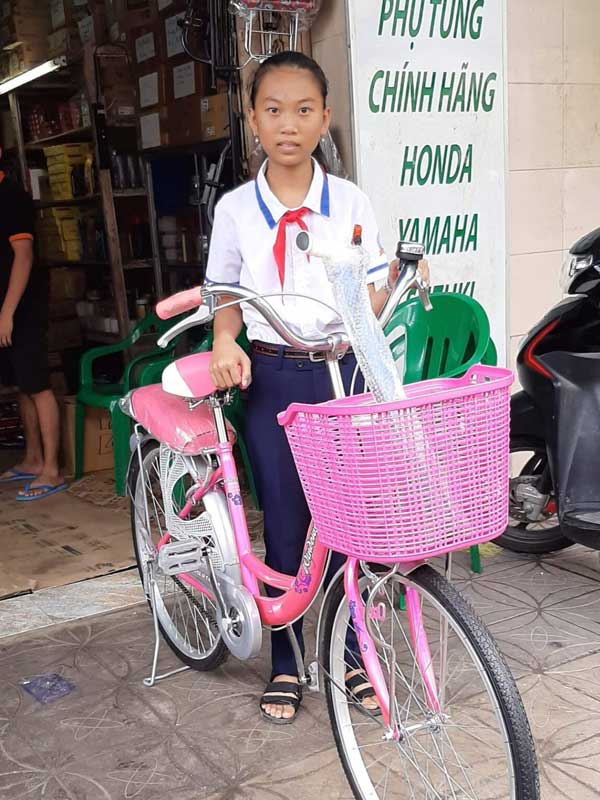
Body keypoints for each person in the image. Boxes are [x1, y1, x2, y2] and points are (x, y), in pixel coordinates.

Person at [205, 52, 428, 723]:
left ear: (324, 117)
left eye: (303, 110)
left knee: (351, 529)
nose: (288, 124)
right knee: (287, 526)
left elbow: (371, 295)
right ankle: (285, 661)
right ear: (253, 120)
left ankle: (353, 657)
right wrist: (223, 339)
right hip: (274, 375)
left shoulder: (351, 201)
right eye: (272, 109)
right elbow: (224, 291)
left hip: (346, 375)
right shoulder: (237, 209)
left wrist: (400, 279)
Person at [0, 151, 66, 500]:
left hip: (23, 309)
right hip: (6, 311)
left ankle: (51, 469)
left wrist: (8, 312)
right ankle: (32, 458)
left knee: (38, 385)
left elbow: (23, 257)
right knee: (22, 386)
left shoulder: (12, 198)